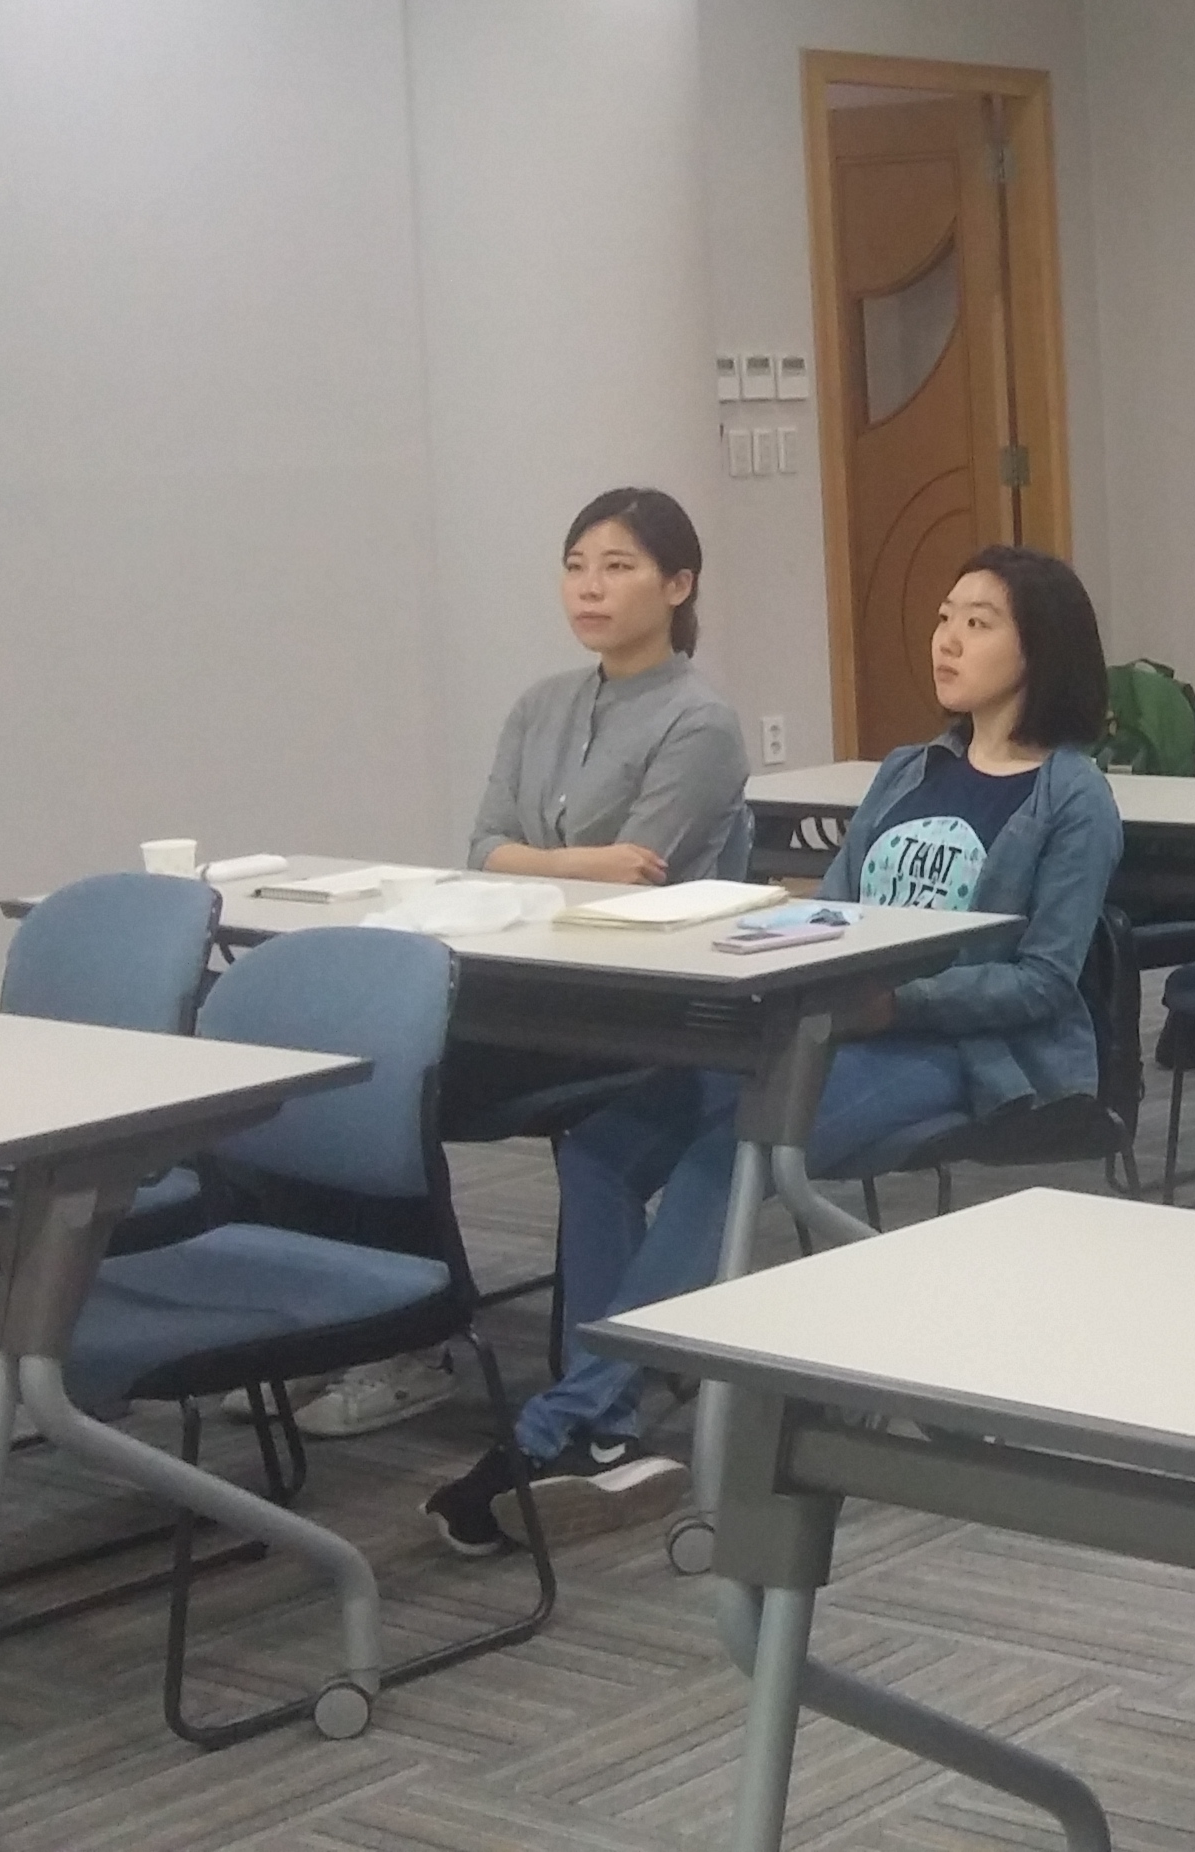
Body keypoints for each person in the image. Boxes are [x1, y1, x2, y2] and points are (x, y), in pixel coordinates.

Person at [427, 546, 1121, 1555]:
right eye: (944, 616)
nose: (947, 640)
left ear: (1039, 648)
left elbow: (1045, 982)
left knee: (730, 1155)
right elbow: (831, 915)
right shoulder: (907, 771)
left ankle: (557, 1428)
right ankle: (607, 1424)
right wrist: (755, 942)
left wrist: (893, 1005)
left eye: (978, 623)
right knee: (601, 1146)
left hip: (955, 1054)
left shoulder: (1071, 796)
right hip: (822, 1026)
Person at [303, 487, 750, 1441]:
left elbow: (641, 875)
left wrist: (538, 863)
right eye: (577, 566)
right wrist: (578, 862)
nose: (590, 588)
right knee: (347, 1075)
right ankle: (389, 1328)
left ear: (677, 585)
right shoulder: (541, 704)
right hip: (511, 988)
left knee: (398, 1087)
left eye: (618, 568)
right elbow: (482, 851)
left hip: (624, 1014)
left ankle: (419, 1339)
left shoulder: (699, 721)